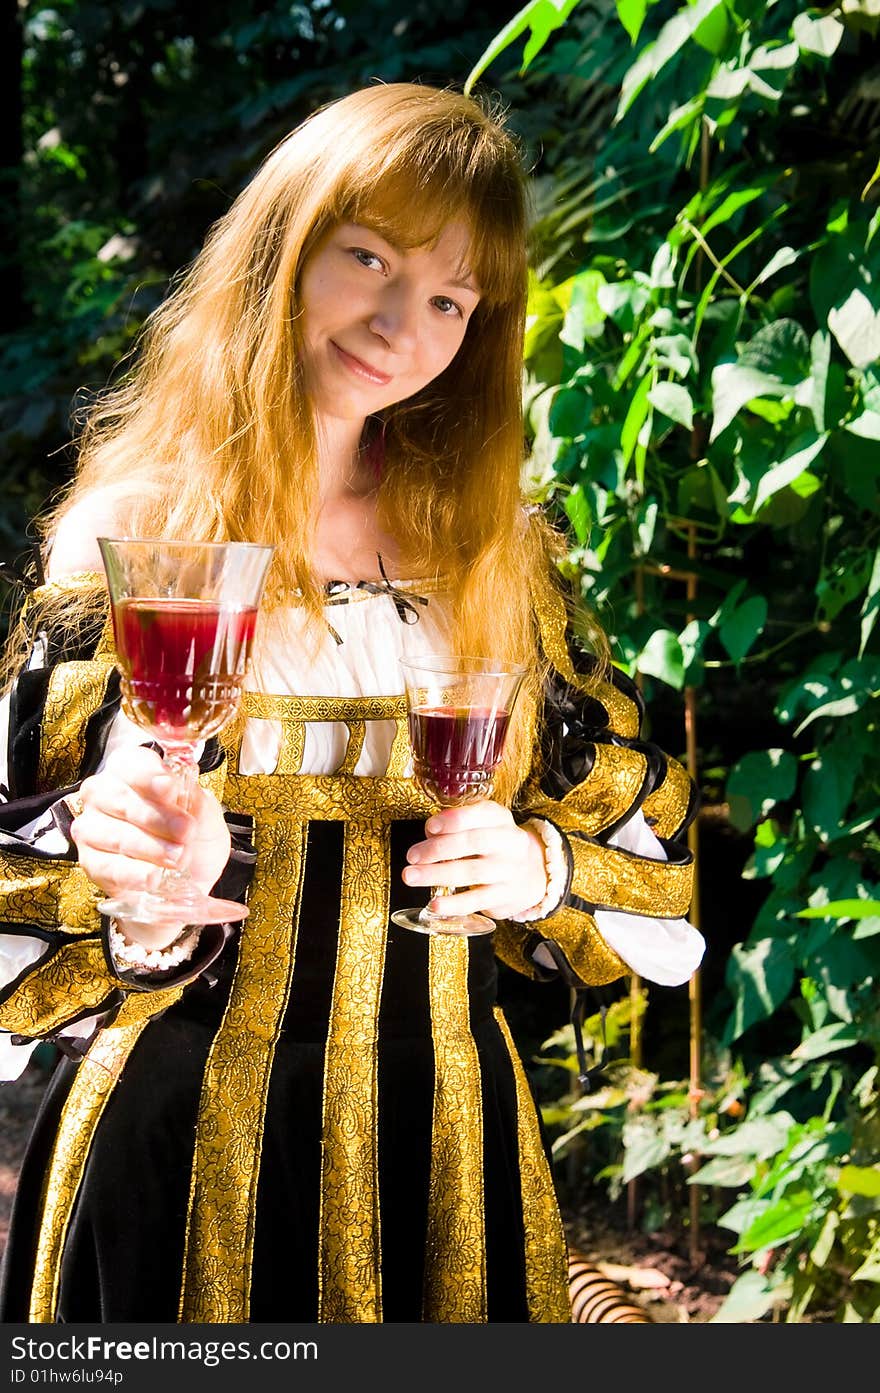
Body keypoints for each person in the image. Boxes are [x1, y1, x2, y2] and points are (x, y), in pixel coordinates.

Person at [0, 81, 704, 1324]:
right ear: (284, 252)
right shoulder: (128, 540)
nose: (401, 322)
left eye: (448, 298)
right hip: (174, 1163)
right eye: (367, 256)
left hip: (448, 1156)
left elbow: (652, 862)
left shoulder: (498, 553)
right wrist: (129, 882)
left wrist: (533, 862)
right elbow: (21, 874)